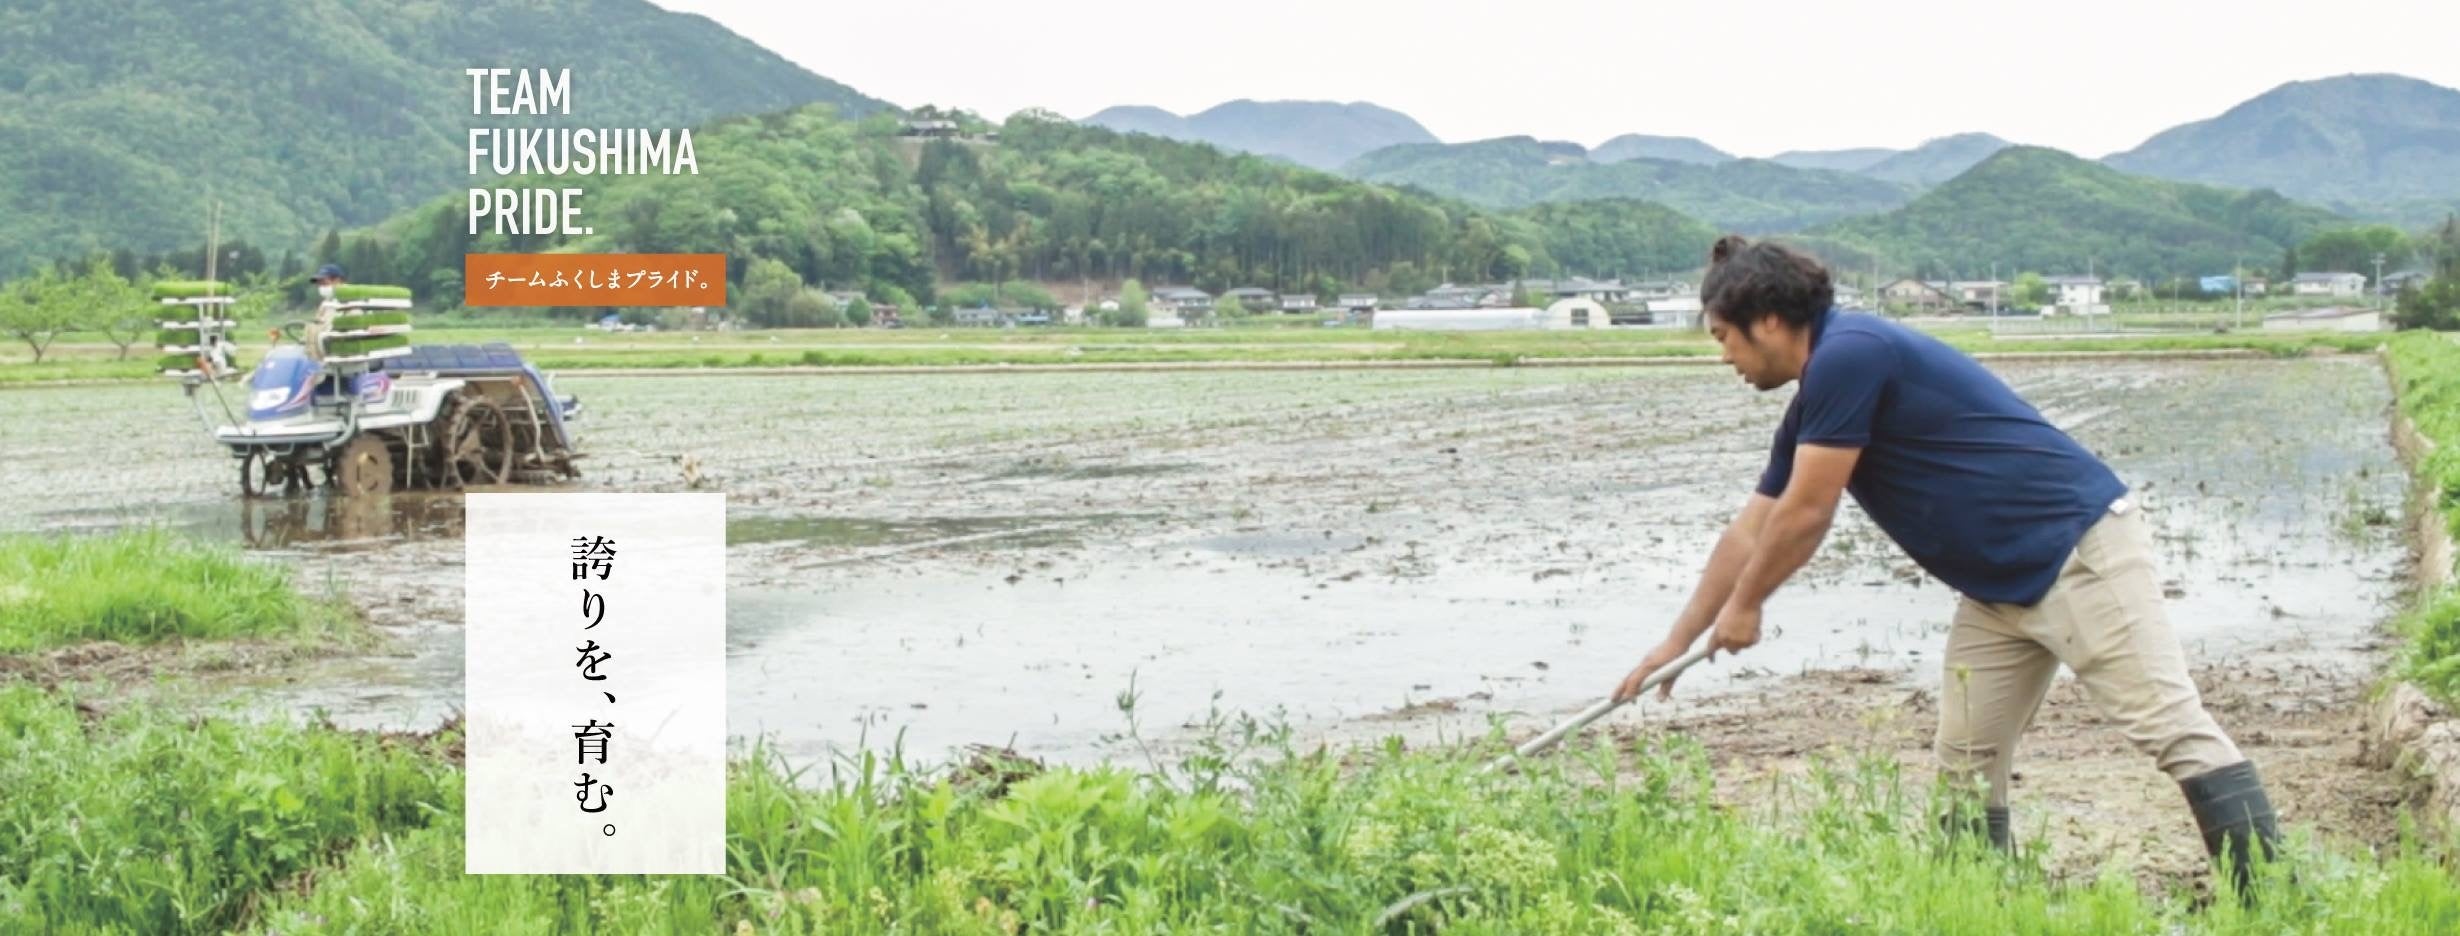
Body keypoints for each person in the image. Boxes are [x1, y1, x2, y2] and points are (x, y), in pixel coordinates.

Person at [1612, 235, 2282, 897]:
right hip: (1997, 589)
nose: (1724, 355)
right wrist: (1677, 640)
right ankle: (1975, 908)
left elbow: (1808, 511)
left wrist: (1747, 605)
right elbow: (1751, 527)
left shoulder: (1850, 354)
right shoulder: (1816, 394)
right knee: (1965, 766)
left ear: (1768, 321)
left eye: (1724, 335)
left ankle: (2276, 903)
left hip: (2074, 553)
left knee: (2171, 728)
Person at [302, 263, 346, 361]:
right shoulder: (325, 304)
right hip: (321, 354)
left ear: (337, 281)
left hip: (339, 356)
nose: (320, 287)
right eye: (319, 284)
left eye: (324, 283)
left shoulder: (350, 303)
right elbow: (317, 322)